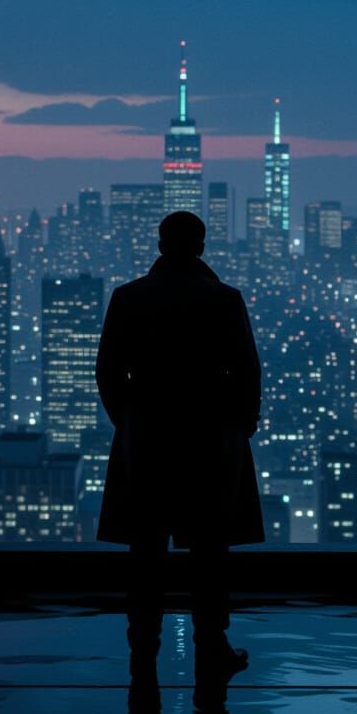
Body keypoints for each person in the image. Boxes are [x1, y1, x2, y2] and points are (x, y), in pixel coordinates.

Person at [96, 210, 263, 680]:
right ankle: (212, 644)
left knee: (146, 549)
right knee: (210, 551)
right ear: (202, 246)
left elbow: (108, 371)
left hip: (146, 438)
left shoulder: (129, 297)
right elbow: (248, 370)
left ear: (160, 244)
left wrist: (128, 421)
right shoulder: (224, 299)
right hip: (211, 439)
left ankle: (142, 646)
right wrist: (240, 425)